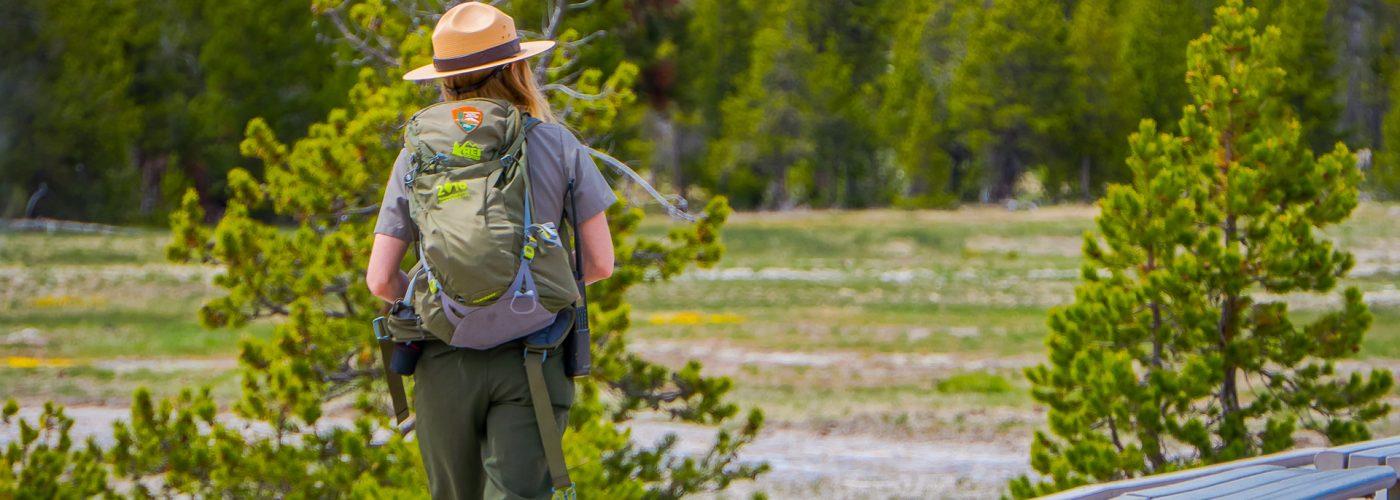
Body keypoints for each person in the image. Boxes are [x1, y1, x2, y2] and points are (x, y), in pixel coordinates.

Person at [364, 3, 616, 499]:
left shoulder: (415, 153)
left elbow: (379, 280)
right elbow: (600, 263)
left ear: (446, 78)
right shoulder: (558, 145)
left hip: (441, 360)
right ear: (516, 67)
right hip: (533, 357)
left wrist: (449, 305)